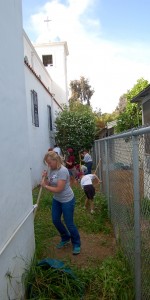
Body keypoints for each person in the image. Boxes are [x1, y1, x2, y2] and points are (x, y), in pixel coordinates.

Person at [40, 151, 81, 255]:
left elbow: (58, 188)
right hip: (57, 200)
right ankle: (65, 237)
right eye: (47, 163)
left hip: (67, 200)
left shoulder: (63, 171)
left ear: (56, 160)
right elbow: (50, 183)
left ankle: (76, 243)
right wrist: (44, 178)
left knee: (69, 223)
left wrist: (44, 186)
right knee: (55, 220)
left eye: (50, 162)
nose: (48, 165)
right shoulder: (51, 170)